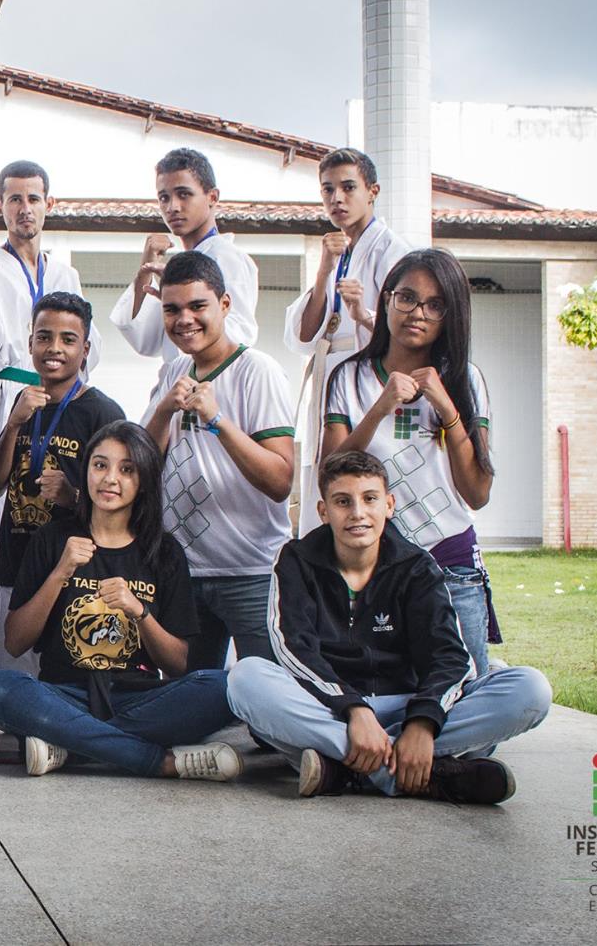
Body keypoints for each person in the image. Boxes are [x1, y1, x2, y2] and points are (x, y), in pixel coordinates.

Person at [227, 450, 551, 803]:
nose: (357, 512)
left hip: (406, 704)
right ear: (323, 511)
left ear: (389, 505)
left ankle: (344, 770)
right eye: (342, 501)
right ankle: (423, 773)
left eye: (370, 499)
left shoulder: (417, 566)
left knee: (529, 688)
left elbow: (450, 658)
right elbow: (293, 649)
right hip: (331, 708)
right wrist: (355, 709)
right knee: (246, 679)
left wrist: (422, 724)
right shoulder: (296, 560)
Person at [0, 422, 242, 781]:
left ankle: (71, 745)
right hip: (64, 695)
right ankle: (154, 760)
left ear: (144, 480)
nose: (110, 479)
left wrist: (140, 612)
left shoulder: (164, 552)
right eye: (100, 465)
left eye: (127, 469)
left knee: (225, 687)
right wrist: (60, 572)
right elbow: (15, 641)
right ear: (86, 470)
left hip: (137, 698)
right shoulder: (52, 539)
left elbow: (178, 664)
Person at [322, 248, 498, 676]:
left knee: (466, 687)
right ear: (386, 300)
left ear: (450, 316)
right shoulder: (348, 377)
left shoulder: (466, 379)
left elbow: (477, 492)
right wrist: (380, 407)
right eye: (407, 298)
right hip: (372, 565)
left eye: (435, 305)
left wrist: (447, 409)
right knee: (379, 683)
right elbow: (331, 474)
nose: (418, 313)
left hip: (450, 560)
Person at [0, 159, 97, 685]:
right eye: (14, 199)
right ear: (0, 206)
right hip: (5, 398)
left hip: (61, 401)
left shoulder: (65, 273)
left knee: (53, 517)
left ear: (48, 204)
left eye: (33, 198)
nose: (24, 208)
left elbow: (86, 343)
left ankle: (54, 659)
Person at [142, 252, 295, 668]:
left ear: (225, 305)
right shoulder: (173, 371)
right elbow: (142, 465)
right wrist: (163, 411)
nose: (184, 319)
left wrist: (217, 420)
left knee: (267, 694)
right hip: (183, 570)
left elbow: (280, 480)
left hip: (252, 571)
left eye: (197, 306)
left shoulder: (257, 371)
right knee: (188, 696)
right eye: (172, 309)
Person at [0, 292, 125, 682]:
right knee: (12, 686)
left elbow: (123, 506)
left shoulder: (103, 413)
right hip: (17, 563)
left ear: (85, 349)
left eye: (68, 339)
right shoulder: (23, 402)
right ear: (30, 343)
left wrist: (73, 497)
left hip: (75, 572)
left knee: (65, 685)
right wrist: (14, 423)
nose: (54, 348)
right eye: (44, 337)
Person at [283, 149, 415, 520]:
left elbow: (408, 329)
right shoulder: (337, 251)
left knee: (364, 474)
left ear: (373, 191)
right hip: (331, 374)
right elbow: (305, 336)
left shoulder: (394, 251)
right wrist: (323, 270)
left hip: (369, 378)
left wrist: (363, 315)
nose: (336, 198)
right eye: (327, 189)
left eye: (348, 187)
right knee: (327, 476)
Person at [113, 147, 260, 358]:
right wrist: (145, 272)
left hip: (207, 378)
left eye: (184, 194)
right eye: (164, 197)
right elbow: (146, 341)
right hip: (177, 377)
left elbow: (239, 336)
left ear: (212, 197)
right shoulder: (181, 263)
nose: (172, 207)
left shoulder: (225, 256)